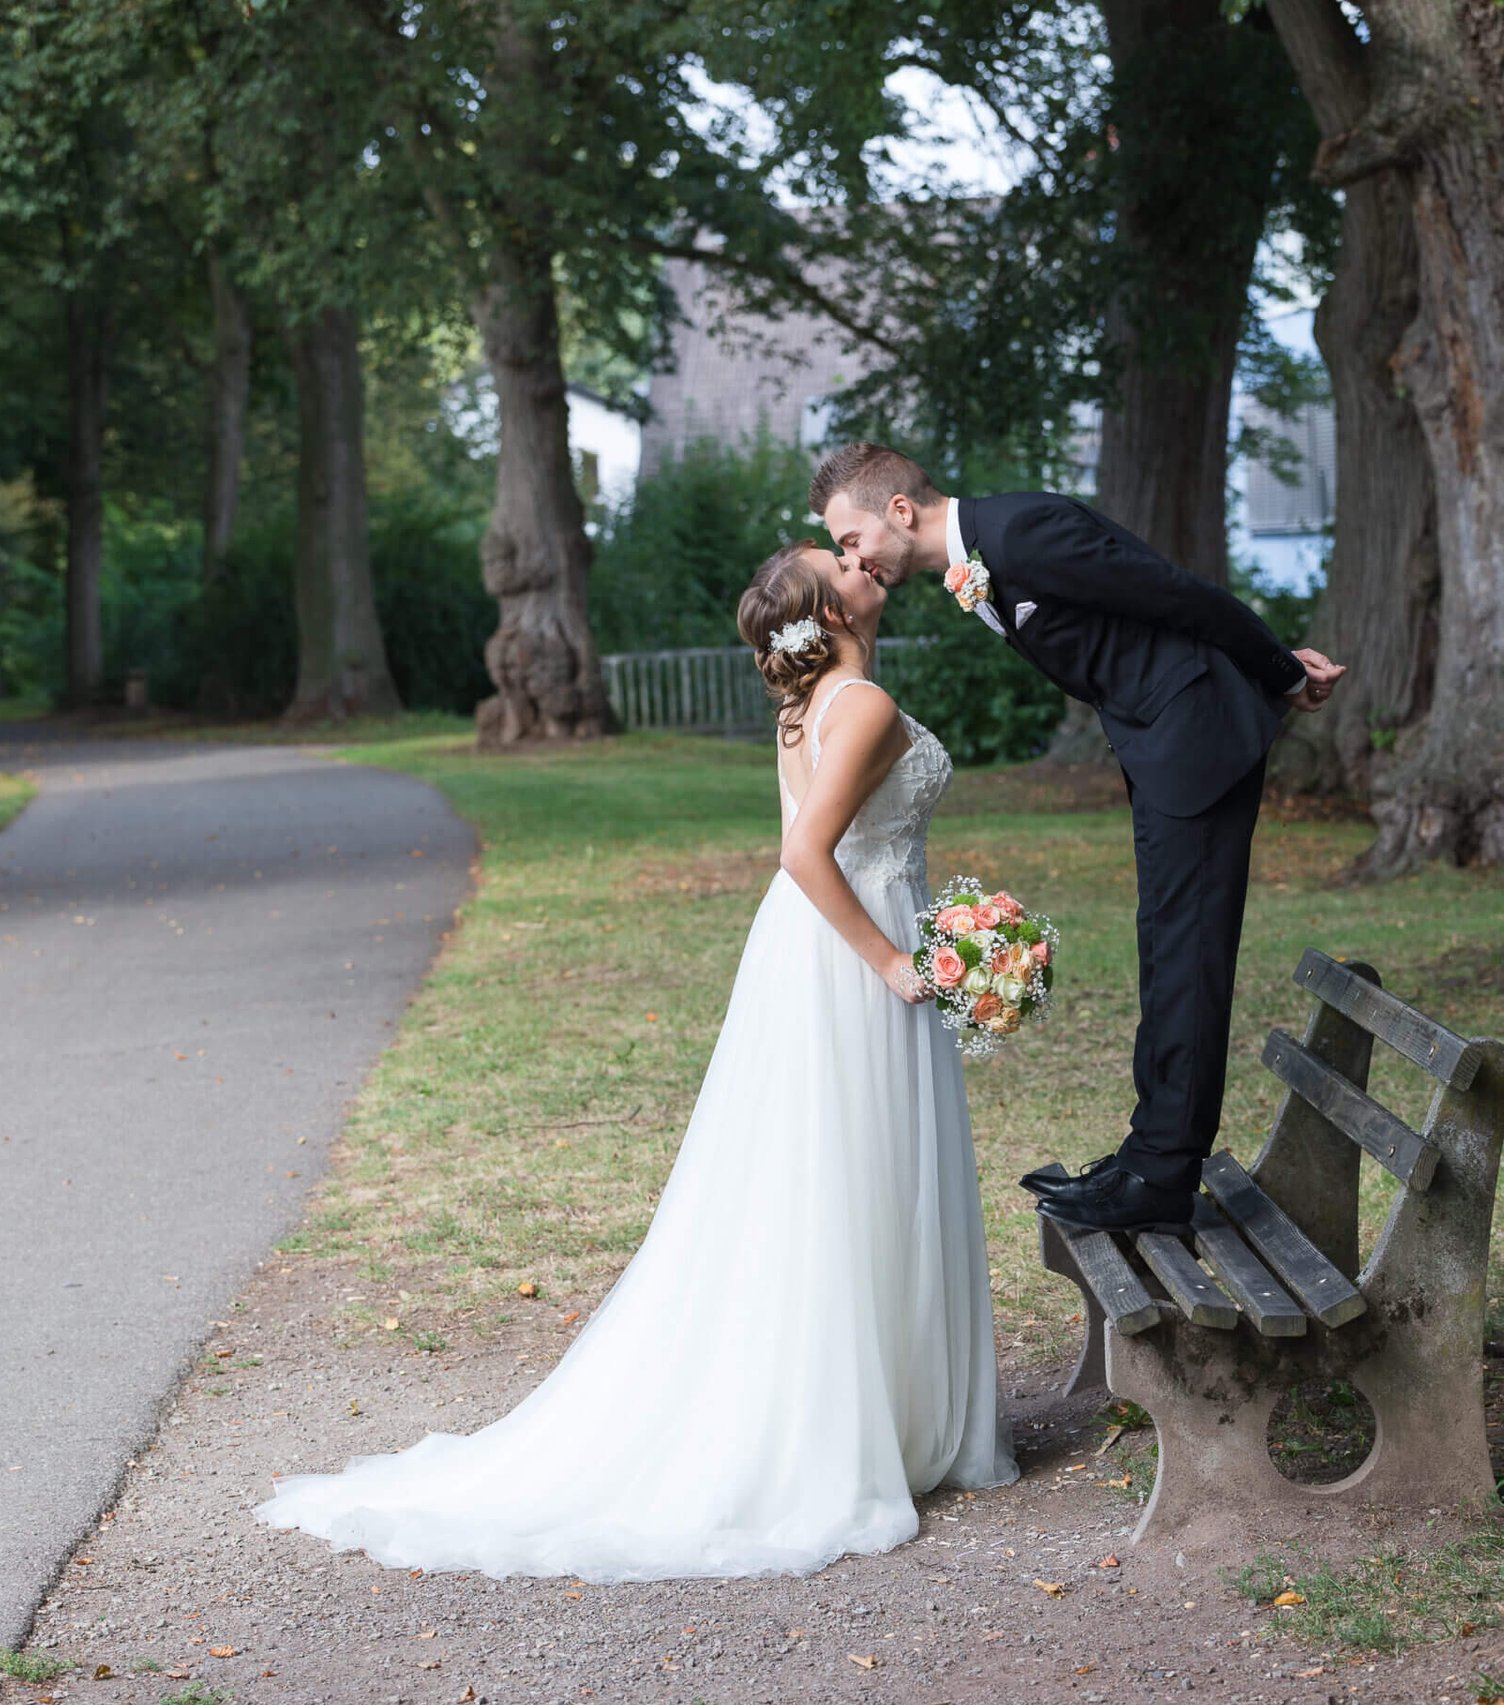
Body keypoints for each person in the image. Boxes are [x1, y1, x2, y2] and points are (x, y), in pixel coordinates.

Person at [256, 543, 1014, 1582]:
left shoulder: (814, 707)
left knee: (834, 1177)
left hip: (813, 948)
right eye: (833, 562)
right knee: (847, 1174)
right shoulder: (859, 708)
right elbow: (804, 854)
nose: (857, 561)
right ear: (826, 611)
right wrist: (890, 958)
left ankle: (876, 1405)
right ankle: (840, 1427)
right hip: (850, 948)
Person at [810, 442, 1345, 1234]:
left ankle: (1163, 1178)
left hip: (1198, 739)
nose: (851, 557)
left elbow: (1176, 594)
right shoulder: (986, 557)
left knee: (1188, 954)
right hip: (1162, 751)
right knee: (1165, 948)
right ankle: (1147, 1155)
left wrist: (1281, 672)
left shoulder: (1023, 530)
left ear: (899, 510)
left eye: (851, 540)